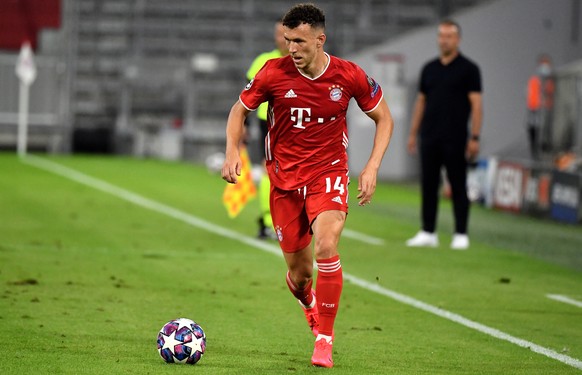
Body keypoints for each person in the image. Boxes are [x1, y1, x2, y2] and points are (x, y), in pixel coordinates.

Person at [221, 3, 394, 368]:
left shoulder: (348, 75)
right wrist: (231, 151)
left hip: (328, 174)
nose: (292, 48)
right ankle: (307, 301)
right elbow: (239, 110)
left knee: (327, 245)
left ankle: (325, 340)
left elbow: (384, 117)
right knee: (301, 276)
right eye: (288, 40)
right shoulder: (273, 73)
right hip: (284, 181)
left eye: (299, 41)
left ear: (320, 39)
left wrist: (372, 166)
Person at [406, 19, 482, 250]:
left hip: (456, 136)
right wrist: (413, 133)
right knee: (428, 185)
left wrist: (475, 137)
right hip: (429, 136)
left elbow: (477, 105)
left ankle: (461, 233)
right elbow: (421, 102)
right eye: (441, 35)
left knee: (458, 185)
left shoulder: (469, 69)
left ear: (457, 39)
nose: (444, 40)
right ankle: (428, 231)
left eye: (449, 36)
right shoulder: (429, 69)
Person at [246, 18, 289, 239]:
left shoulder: (303, 61)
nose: (280, 38)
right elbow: (245, 96)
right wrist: (243, 125)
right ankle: (268, 221)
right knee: (269, 170)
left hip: (297, 123)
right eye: (277, 34)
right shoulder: (264, 61)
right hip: (269, 123)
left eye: (284, 34)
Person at [526, 54, 555, 160]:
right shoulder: (534, 81)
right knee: (535, 148)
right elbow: (532, 102)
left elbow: (553, 102)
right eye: (543, 64)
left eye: (547, 65)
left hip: (548, 122)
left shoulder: (552, 82)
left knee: (548, 149)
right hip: (535, 121)